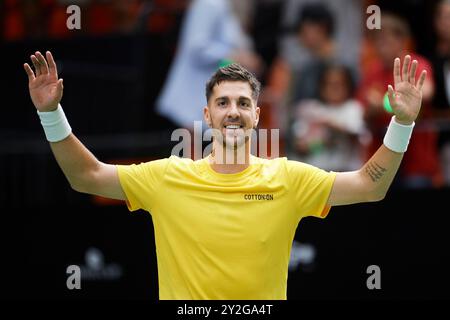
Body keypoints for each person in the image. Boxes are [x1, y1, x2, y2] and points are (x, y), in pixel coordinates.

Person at [24, 50, 426, 300]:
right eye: (223, 102)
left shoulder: (288, 178)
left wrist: (402, 123)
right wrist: (50, 114)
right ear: (207, 115)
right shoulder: (167, 177)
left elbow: (370, 186)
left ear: (256, 115)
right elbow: (87, 176)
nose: (232, 110)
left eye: (242, 102)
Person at [292, 64, 366, 172]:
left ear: (349, 86)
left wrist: (331, 125)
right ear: (321, 87)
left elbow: (356, 136)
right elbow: (300, 147)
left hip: (346, 173)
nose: (334, 89)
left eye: (339, 84)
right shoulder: (311, 109)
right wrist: (320, 144)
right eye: (329, 84)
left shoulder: (353, 108)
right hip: (316, 172)